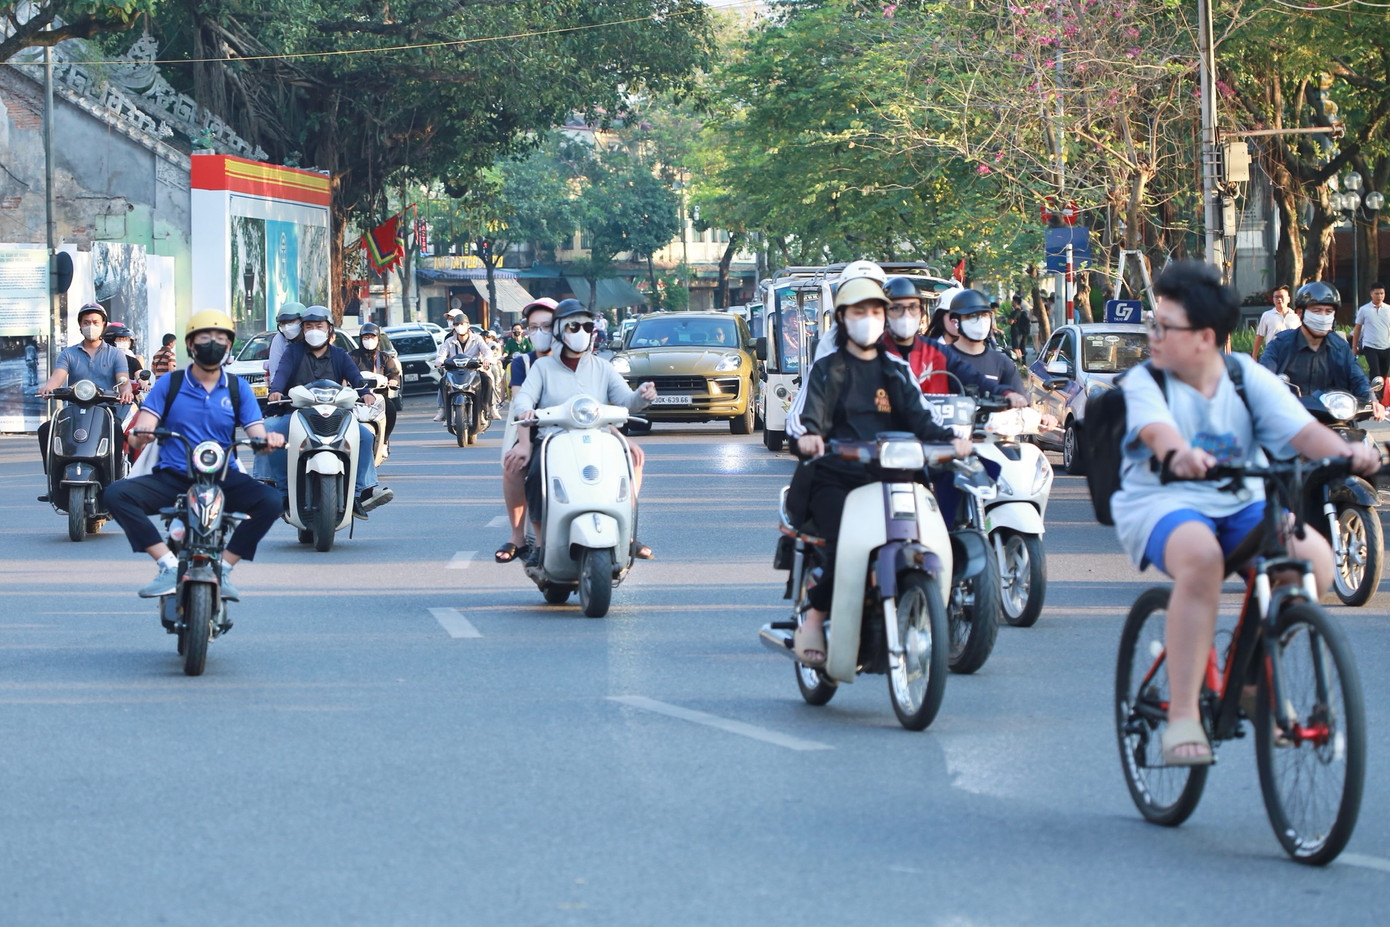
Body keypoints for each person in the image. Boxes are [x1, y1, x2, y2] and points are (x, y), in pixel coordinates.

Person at [1110, 261, 1380, 766]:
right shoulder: (1148, 381)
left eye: (1164, 328)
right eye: (1155, 324)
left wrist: (1348, 454)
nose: (1154, 336)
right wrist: (1180, 454)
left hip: (1242, 500)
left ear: (1205, 337)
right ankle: (1185, 715)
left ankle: (1251, 678)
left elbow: (1303, 431)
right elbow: (1156, 431)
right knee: (1203, 560)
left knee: (1314, 565)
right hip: (1162, 500)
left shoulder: (1245, 377)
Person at [784, 275, 971, 667]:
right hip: (835, 477)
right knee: (844, 547)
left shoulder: (895, 370)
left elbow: (924, 420)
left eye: (875, 311)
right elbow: (807, 418)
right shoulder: (828, 369)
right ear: (842, 318)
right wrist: (810, 438)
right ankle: (815, 617)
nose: (868, 318)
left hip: (892, 479)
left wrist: (951, 441)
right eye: (859, 312)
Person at [105, 310, 285, 601]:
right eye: (204, 337)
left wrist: (270, 440)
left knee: (272, 501)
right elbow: (145, 426)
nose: (212, 343)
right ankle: (167, 564)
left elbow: (257, 436)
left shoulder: (238, 389)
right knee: (115, 495)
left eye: (220, 338)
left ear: (229, 347)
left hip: (223, 477)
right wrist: (143, 433)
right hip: (173, 476)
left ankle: (224, 568)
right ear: (190, 345)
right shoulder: (170, 384)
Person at [505, 299, 657, 563]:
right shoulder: (542, 368)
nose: (581, 333)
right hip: (552, 439)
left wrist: (644, 395)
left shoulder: (602, 367)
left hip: (598, 438)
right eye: (573, 326)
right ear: (560, 330)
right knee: (537, 473)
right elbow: (523, 397)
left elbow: (627, 400)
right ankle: (540, 544)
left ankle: (627, 533)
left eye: (587, 326)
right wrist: (526, 411)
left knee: (631, 461)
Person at [265, 305, 394, 518]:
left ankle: (360, 493)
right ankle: (283, 493)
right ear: (302, 330)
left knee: (364, 436)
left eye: (319, 325)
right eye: (308, 326)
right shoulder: (292, 352)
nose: (313, 330)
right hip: (298, 414)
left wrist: (366, 392)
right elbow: (280, 376)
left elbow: (356, 379)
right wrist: (276, 391)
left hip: (337, 414)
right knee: (275, 434)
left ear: (329, 329)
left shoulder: (340, 355)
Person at [880, 277, 1027, 405]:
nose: (906, 315)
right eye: (896, 308)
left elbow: (972, 377)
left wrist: (1005, 393)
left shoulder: (936, 351)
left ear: (921, 313)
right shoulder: (872, 352)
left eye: (913, 308)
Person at [1257, 281, 1385, 420]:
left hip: (1336, 421)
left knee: (1364, 441)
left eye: (1328, 311)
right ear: (1300, 313)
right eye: (1317, 311)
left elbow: (1357, 377)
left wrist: (1372, 399)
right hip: (1290, 423)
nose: (1323, 316)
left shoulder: (1340, 347)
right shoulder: (1280, 344)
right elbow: (1263, 377)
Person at [495, 298, 558, 562]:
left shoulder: (579, 360)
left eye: (546, 326)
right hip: (534, 433)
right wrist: (524, 444)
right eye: (534, 327)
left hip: (577, 432)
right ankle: (518, 537)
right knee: (515, 465)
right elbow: (522, 405)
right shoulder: (522, 363)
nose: (539, 333)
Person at [37, 303, 134, 471]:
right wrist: (48, 387)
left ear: (104, 324)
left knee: (117, 429)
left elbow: (123, 380)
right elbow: (57, 377)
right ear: (80, 326)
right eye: (86, 322)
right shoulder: (68, 354)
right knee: (45, 430)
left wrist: (126, 391)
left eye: (96, 322)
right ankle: (54, 475)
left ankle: (115, 473)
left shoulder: (116, 354)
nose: (91, 326)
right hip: (74, 411)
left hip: (106, 410)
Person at [943, 289, 1029, 396]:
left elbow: (1019, 404)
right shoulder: (940, 358)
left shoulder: (1003, 363)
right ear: (955, 322)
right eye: (972, 316)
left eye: (985, 315)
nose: (981, 321)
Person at [349, 322, 402, 450]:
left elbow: (394, 374)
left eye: (372, 337)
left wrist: (393, 381)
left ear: (378, 339)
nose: (369, 340)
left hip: (379, 397)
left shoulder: (384, 357)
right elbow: (344, 373)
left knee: (391, 410)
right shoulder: (352, 357)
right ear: (361, 339)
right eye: (366, 337)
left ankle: (384, 440)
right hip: (357, 398)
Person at [432, 313, 494, 422]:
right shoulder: (449, 341)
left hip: (474, 371)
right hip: (454, 371)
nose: (459, 326)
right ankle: (444, 411)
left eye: (462, 324)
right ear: (454, 327)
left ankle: (484, 409)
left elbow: (487, 351)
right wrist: (439, 361)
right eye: (457, 324)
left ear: (468, 325)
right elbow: (441, 354)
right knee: (443, 381)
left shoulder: (477, 339)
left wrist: (487, 359)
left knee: (487, 380)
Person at [1352, 282, 1390, 380]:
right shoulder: (1364, 310)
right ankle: (1374, 394)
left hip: (1386, 346)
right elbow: (1357, 329)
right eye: (1377, 293)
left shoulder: (1388, 309)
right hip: (1370, 346)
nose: (1379, 296)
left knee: (1384, 373)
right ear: (1371, 294)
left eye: (1382, 293)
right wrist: (1354, 347)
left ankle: (1381, 394)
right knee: (1375, 372)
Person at [1250, 285, 1298, 360]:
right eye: (1276, 297)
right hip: (1272, 355)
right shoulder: (1267, 315)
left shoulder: (1296, 316)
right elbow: (1260, 336)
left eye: (1281, 296)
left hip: (1291, 356)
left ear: (1288, 299)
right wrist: (1254, 355)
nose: (1279, 299)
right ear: (1273, 299)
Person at [268, 302, 305, 385]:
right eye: (283, 323)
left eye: (291, 321)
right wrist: (277, 388)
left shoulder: (310, 337)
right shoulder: (279, 339)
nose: (287, 327)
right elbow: (275, 371)